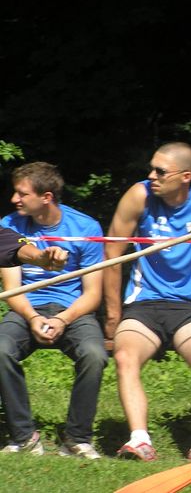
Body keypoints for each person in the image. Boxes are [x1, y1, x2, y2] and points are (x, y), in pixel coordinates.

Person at [103, 142, 191, 462]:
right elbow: (112, 255)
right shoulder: (139, 195)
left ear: (185, 176)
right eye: (151, 168)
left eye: (160, 171)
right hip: (143, 304)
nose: (152, 176)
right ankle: (139, 439)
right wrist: (114, 314)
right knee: (125, 355)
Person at [0, 162, 107, 458]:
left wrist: (62, 319)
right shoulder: (8, 225)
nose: (14, 199)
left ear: (46, 197)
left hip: (72, 310)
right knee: (0, 349)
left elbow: (93, 294)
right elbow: (12, 288)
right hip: (26, 308)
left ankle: (77, 439)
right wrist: (33, 317)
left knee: (94, 355)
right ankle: (24, 437)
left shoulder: (86, 228)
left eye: (22, 193)